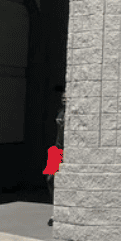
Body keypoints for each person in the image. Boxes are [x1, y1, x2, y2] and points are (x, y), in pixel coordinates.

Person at [45, 87, 66, 224]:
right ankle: (55, 209)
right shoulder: (60, 112)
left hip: (68, 149)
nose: (64, 99)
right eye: (63, 97)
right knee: (50, 178)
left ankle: (59, 213)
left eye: (66, 97)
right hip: (57, 149)